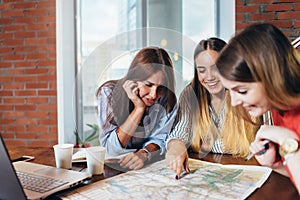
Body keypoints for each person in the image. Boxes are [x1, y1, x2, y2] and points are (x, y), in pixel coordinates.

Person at [216, 23, 300, 193]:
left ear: (272, 78)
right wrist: (275, 165)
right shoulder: (278, 108)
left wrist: (287, 140)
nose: (234, 103)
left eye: (241, 91)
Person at [165, 38, 259, 178]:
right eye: (202, 70)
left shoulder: (245, 93)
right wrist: (175, 146)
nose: (209, 77)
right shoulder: (191, 93)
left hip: (247, 172)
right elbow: (180, 132)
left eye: (216, 68)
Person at [97, 46, 177, 170]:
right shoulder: (108, 93)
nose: (154, 95)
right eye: (148, 85)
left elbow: (160, 139)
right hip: (112, 168)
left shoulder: (167, 100)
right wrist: (139, 109)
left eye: (160, 87)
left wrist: (144, 154)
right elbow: (110, 149)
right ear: (134, 79)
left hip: (145, 168)